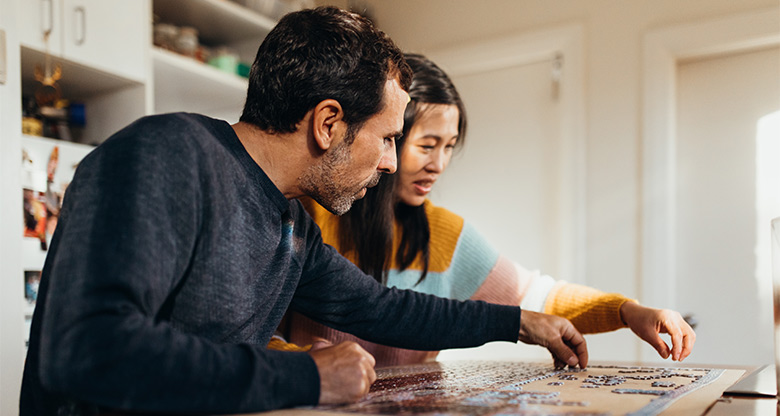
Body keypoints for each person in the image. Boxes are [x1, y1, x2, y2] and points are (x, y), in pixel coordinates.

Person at [19, 8, 589, 416]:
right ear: (327, 123)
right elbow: (88, 350)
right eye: (387, 138)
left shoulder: (291, 223)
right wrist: (305, 375)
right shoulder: (165, 156)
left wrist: (515, 323)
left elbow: (381, 309)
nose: (391, 163)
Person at [278, 53, 696, 367]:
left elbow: (537, 296)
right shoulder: (311, 218)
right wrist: (302, 365)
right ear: (390, 136)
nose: (438, 164)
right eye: (426, 145)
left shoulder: (445, 234)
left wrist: (629, 310)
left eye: (449, 147)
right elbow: (253, 331)